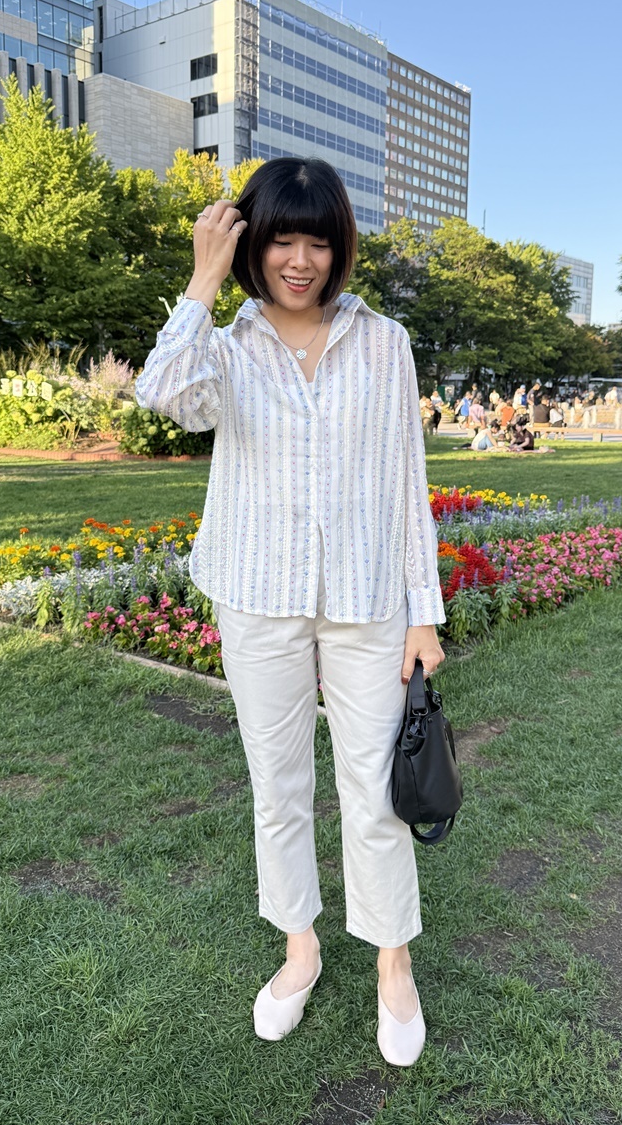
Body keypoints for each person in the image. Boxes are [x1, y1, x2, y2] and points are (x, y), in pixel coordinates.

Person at [133, 158, 445, 1068]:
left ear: (339, 246)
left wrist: (422, 613)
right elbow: (165, 397)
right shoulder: (225, 348)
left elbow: (407, 482)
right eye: (281, 241)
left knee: (374, 792)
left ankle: (393, 963)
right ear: (252, 246)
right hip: (257, 594)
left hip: (365, 600)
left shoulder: (383, 343)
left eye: (316, 241)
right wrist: (201, 280)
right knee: (277, 787)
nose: (299, 261)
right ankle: (299, 948)